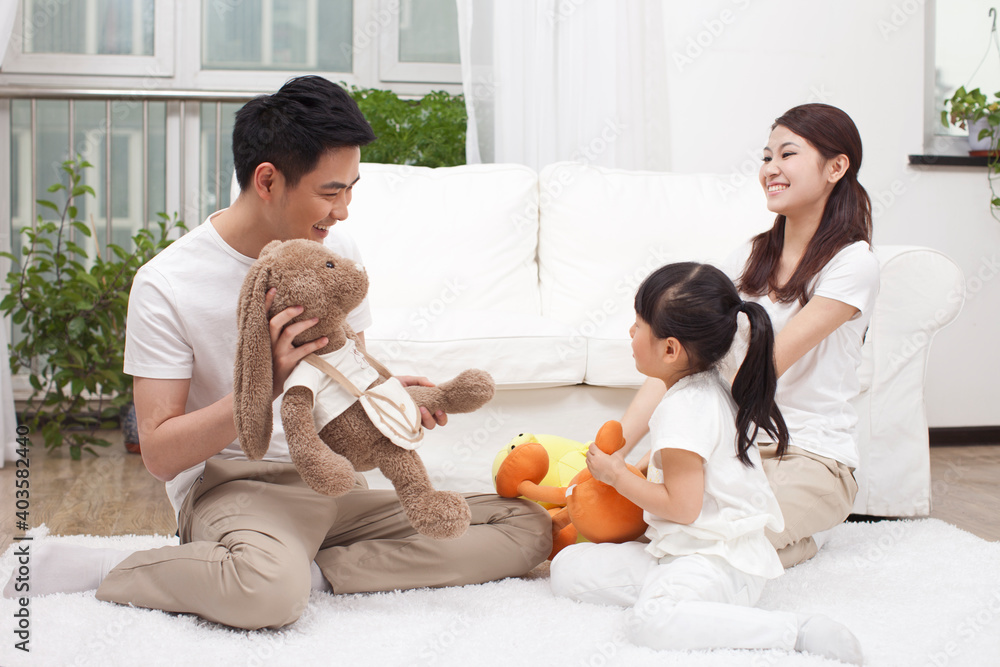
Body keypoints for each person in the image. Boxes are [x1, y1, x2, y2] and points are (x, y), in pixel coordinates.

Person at [3, 76, 551, 629]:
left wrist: (387, 398)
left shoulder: (334, 254)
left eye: (351, 189)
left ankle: (304, 574)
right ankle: (107, 567)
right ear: (268, 180)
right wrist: (262, 384)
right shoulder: (167, 282)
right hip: (237, 487)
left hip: (334, 485)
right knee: (264, 595)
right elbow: (160, 453)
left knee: (526, 528)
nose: (343, 212)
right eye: (331, 191)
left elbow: (346, 374)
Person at [550, 262, 862, 664]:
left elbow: (682, 507)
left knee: (651, 623)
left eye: (639, 324)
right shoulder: (701, 385)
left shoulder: (686, 409)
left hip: (718, 561)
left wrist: (615, 475)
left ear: (670, 349)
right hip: (677, 551)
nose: (631, 332)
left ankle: (796, 632)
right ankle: (684, 602)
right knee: (568, 568)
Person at [619, 103, 879, 568]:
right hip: (736, 448)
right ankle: (785, 536)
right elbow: (674, 359)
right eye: (766, 157)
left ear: (836, 167)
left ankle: (814, 534)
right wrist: (616, 449)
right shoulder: (751, 255)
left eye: (787, 155)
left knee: (699, 540)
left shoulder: (852, 264)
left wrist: (659, 452)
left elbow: (760, 368)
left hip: (810, 457)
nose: (771, 169)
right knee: (648, 523)